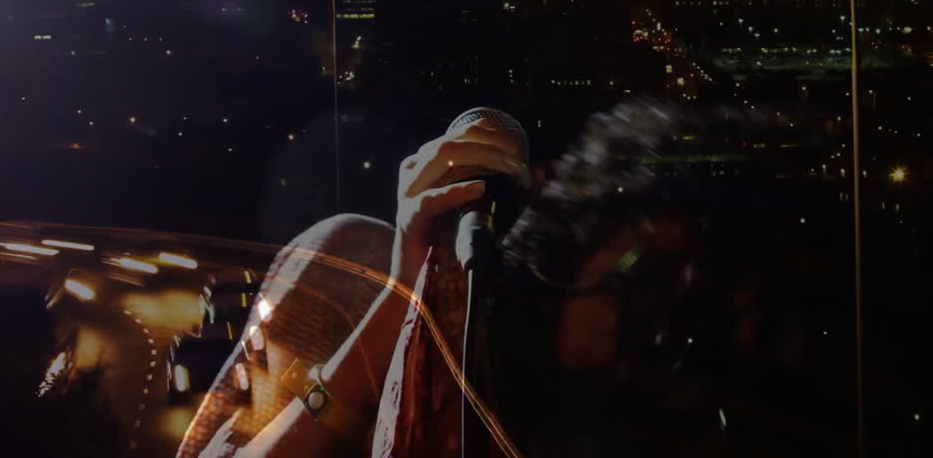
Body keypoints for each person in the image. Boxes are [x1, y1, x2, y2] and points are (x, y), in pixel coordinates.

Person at [179, 97, 738, 458]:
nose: (655, 317)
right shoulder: (351, 261)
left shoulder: (654, 390)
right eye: (639, 273)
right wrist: (404, 289)